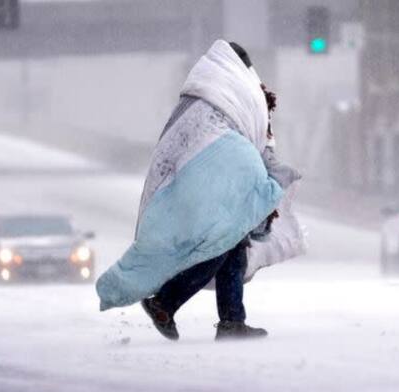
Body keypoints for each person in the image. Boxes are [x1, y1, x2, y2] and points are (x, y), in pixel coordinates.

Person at [96, 40, 304, 341]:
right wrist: (268, 177)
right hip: (211, 182)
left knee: (232, 244)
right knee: (220, 244)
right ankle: (165, 303)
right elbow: (254, 140)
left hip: (193, 182)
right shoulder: (238, 94)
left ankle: (231, 320)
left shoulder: (197, 99)